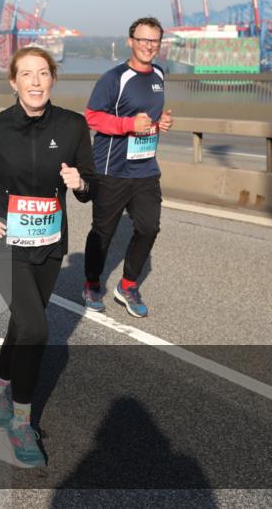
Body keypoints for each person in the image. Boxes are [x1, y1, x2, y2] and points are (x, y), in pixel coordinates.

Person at [0, 46, 95, 467]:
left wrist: (79, 182)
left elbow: (90, 184)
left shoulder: (73, 125)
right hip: (3, 242)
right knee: (36, 327)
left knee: (22, 323)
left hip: (50, 245)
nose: (35, 82)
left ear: (52, 79)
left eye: (43, 74)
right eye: (26, 75)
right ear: (14, 82)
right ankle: (21, 421)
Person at [83, 16, 173, 318]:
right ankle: (92, 283)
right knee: (103, 233)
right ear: (130, 41)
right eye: (143, 39)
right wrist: (127, 125)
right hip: (112, 168)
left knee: (149, 227)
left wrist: (163, 123)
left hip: (146, 168)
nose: (148, 46)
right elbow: (92, 116)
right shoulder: (113, 78)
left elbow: (150, 116)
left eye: (154, 41)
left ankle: (128, 285)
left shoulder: (160, 73)